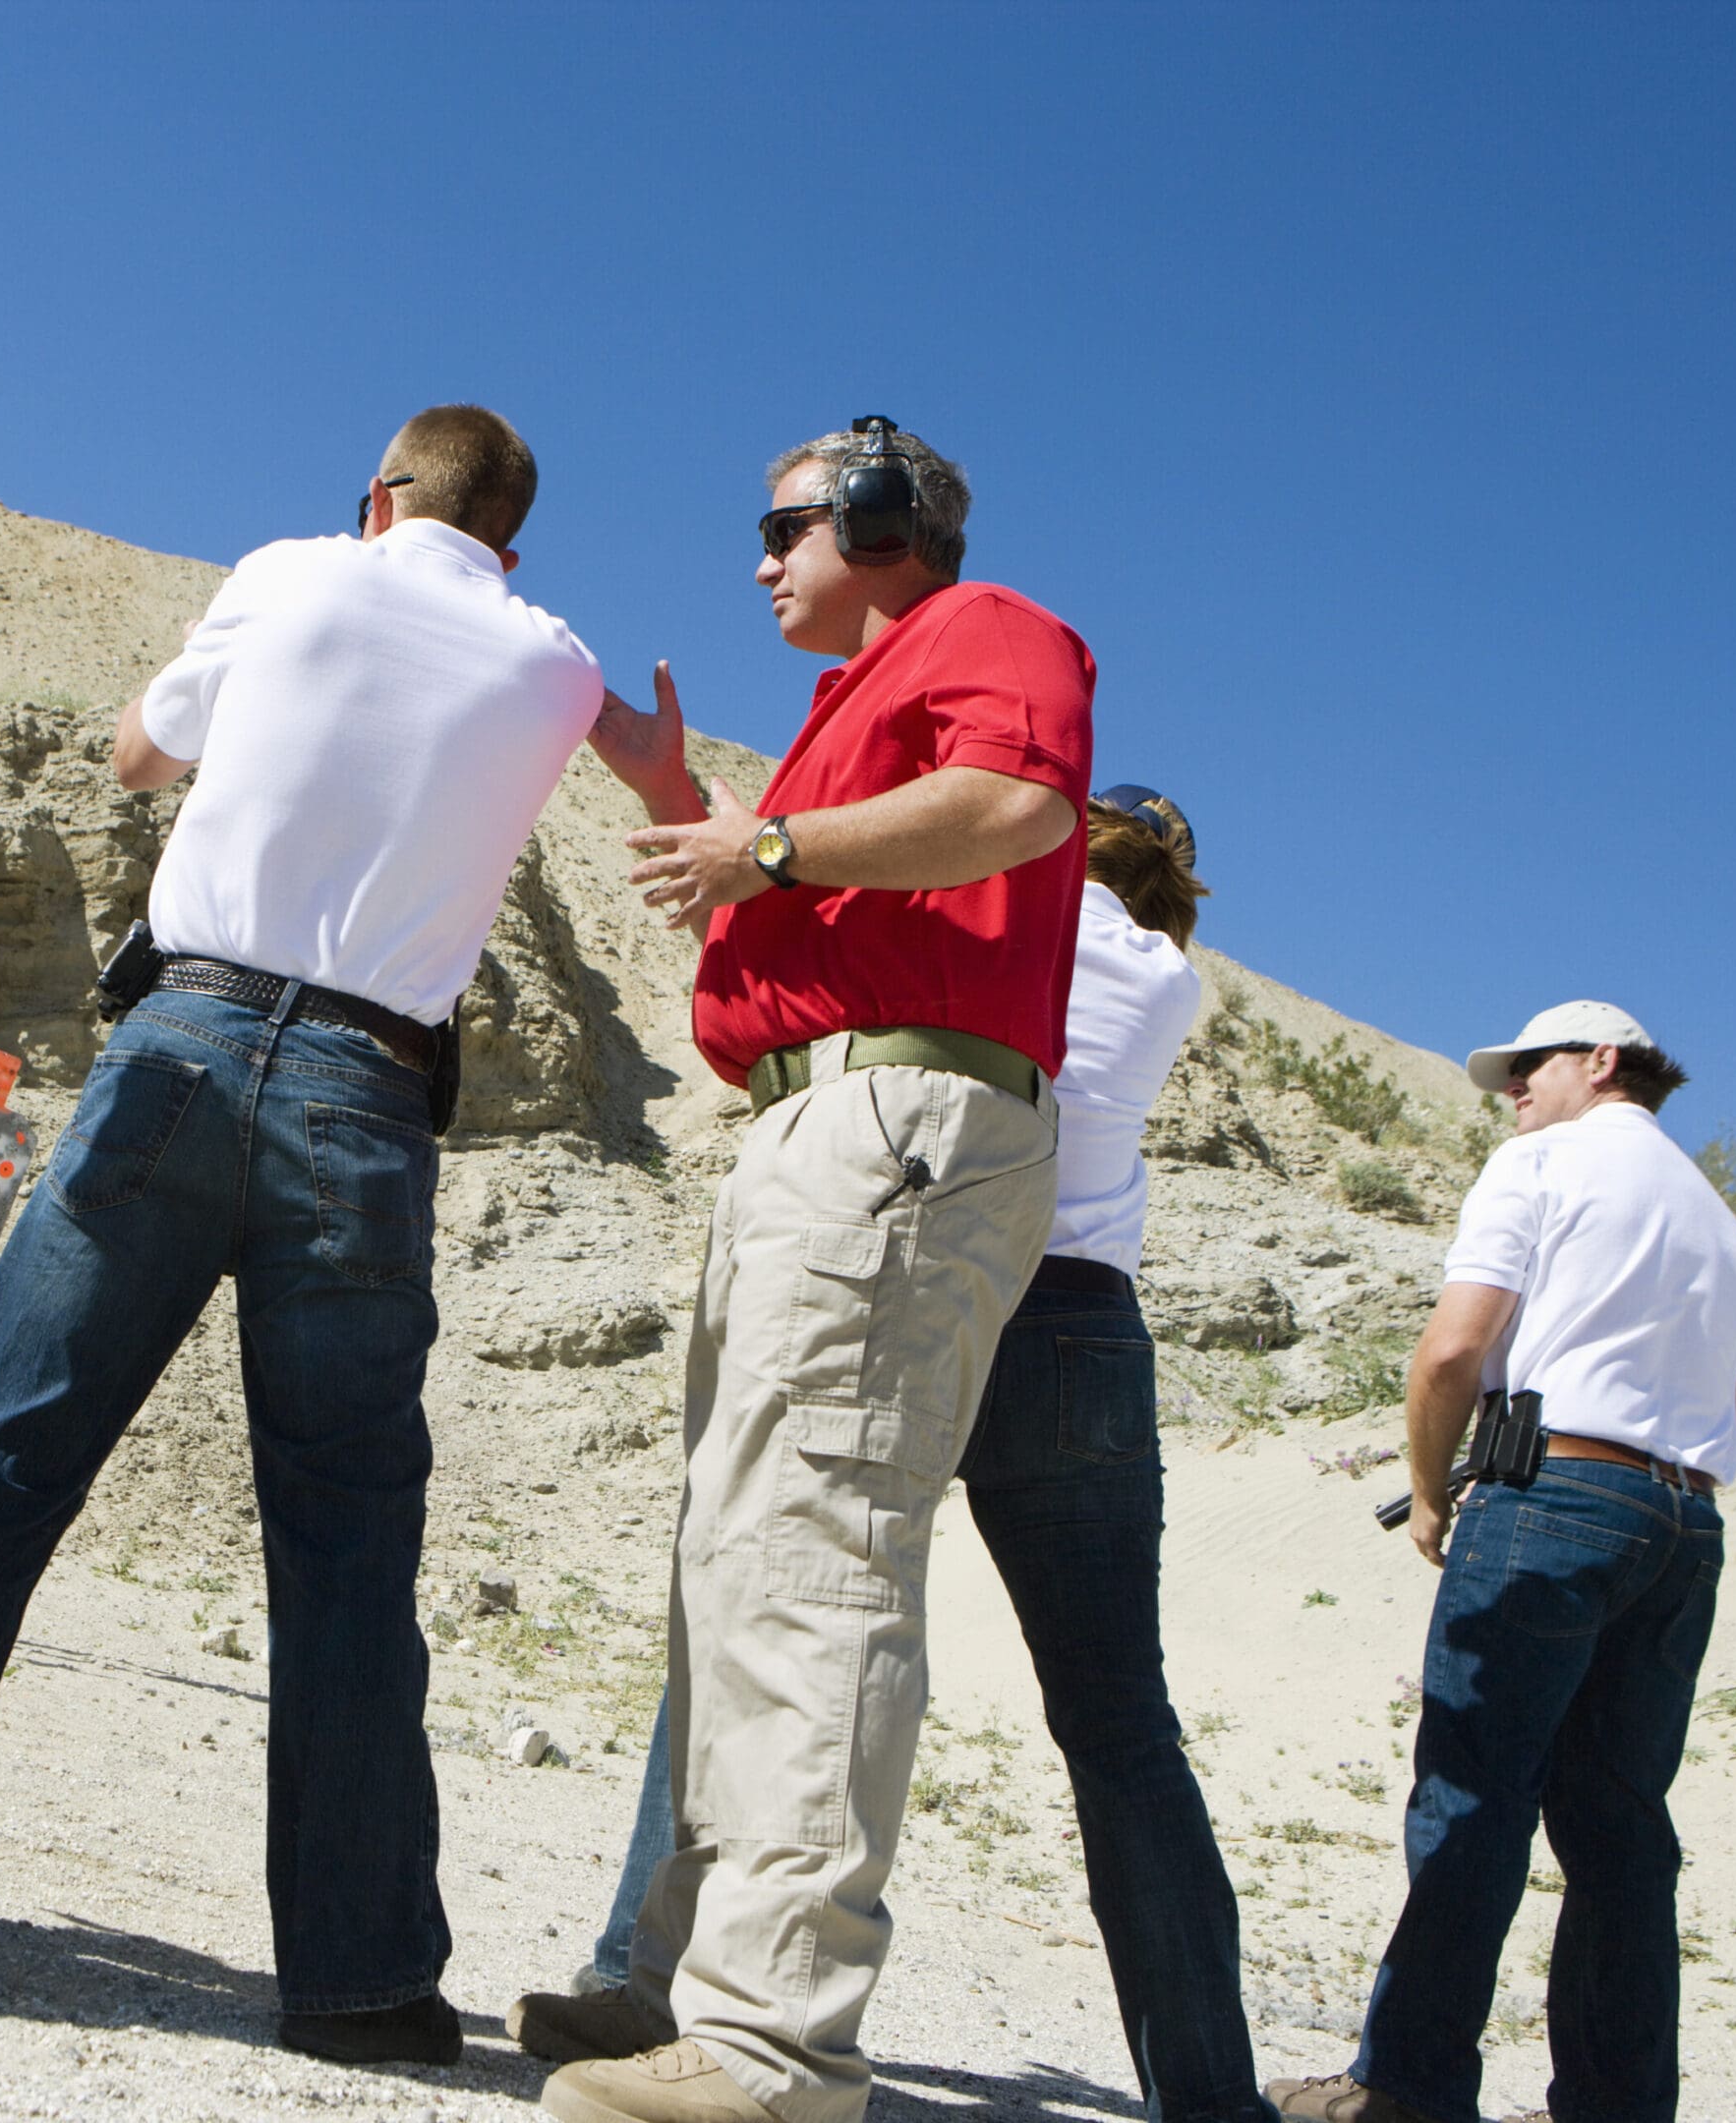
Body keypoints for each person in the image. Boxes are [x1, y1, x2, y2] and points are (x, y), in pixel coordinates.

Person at [0, 407, 616, 2069]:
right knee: (348, 1542)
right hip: (369, 1095)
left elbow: (142, 752)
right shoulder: (553, 663)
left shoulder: (291, 575)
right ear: (509, 539)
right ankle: (359, 1981)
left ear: (377, 495)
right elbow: (600, 742)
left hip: (183, 1050)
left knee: (3, 1450)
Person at [519, 785, 1277, 2123]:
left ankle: (652, 1990)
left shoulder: (985, 907)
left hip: (927, 1260)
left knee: (758, 1623)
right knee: (1118, 1719)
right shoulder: (1166, 975)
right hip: (1077, 1319)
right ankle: (1214, 2096)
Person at [535, 419, 1093, 2123]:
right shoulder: (853, 710)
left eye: (785, 525)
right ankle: (689, 1997)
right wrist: (687, 807)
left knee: (815, 1557)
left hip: (891, 1124)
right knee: (745, 1560)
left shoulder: (984, 624)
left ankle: (775, 2053)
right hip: (823, 1129)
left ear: (875, 518)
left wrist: (766, 844)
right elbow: (789, 913)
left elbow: (1014, 803)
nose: (762, 559)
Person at [1270, 1003, 1736, 2123]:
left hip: (1555, 1495)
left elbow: (1452, 1348)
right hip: (1683, 1523)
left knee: (1474, 1795)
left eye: (1527, 1068)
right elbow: (1730, 1411)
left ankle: (1404, 2088)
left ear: (1600, 1062)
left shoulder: (1540, 1162)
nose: (1510, 1091)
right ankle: (1616, 2105)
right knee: (1622, 1827)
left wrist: (1436, 1490)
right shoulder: (1729, 1230)